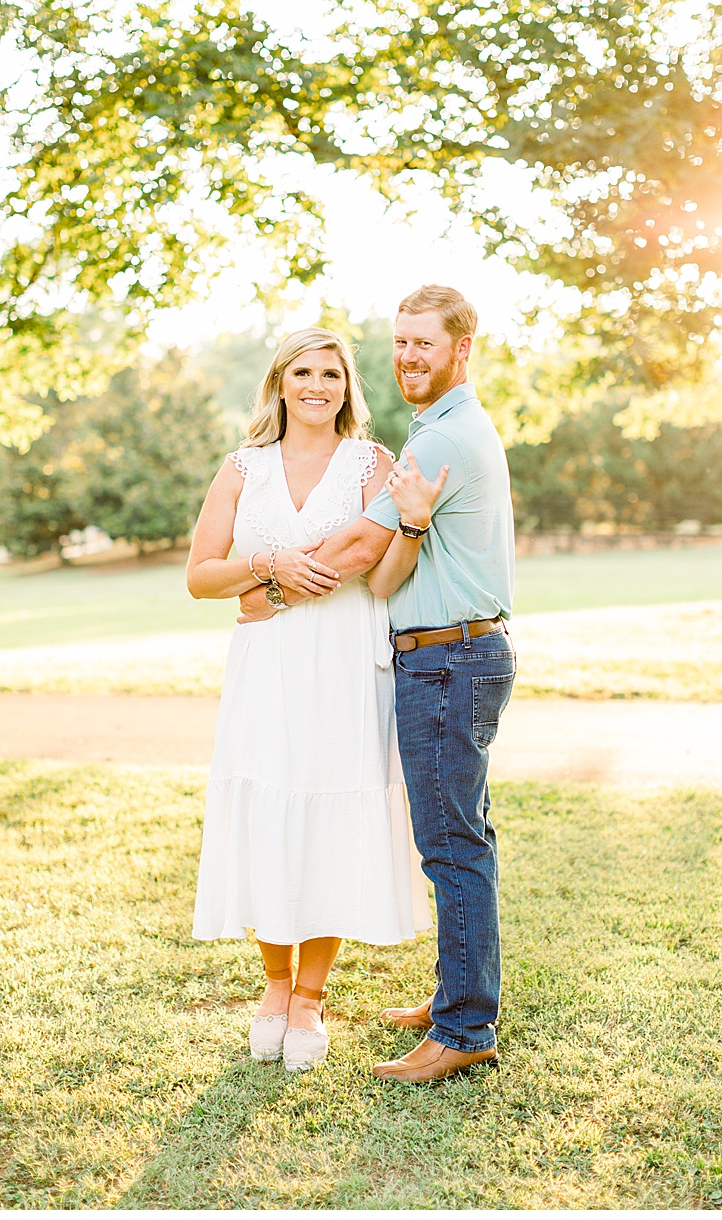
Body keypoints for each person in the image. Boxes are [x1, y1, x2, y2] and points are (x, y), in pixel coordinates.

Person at [237, 285, 516, 1083]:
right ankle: (458, 996)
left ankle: (465, 1030)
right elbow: (386, 559)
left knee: (453, 848)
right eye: (399, 343)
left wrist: (266, 589)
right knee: (464, 838)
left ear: (462, 347)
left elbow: (360, 550)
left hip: (447, 659)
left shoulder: (443, 438)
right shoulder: (437, 427)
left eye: (423, 343)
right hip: (452, 655)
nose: (408, 357)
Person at [186, 326, 433, 1072]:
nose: (317, 385)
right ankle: (272, 986)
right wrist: (265, 567)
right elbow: (201, 574)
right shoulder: (243, 468)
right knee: (268, 809)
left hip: (345, 660)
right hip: (267, 667)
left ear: (346, 386)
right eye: (303, 371)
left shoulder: (371, 463)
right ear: (280, 383)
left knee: (331, 810)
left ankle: (310, 998)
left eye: (331, 373)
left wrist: (413, 523)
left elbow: (380, 568)